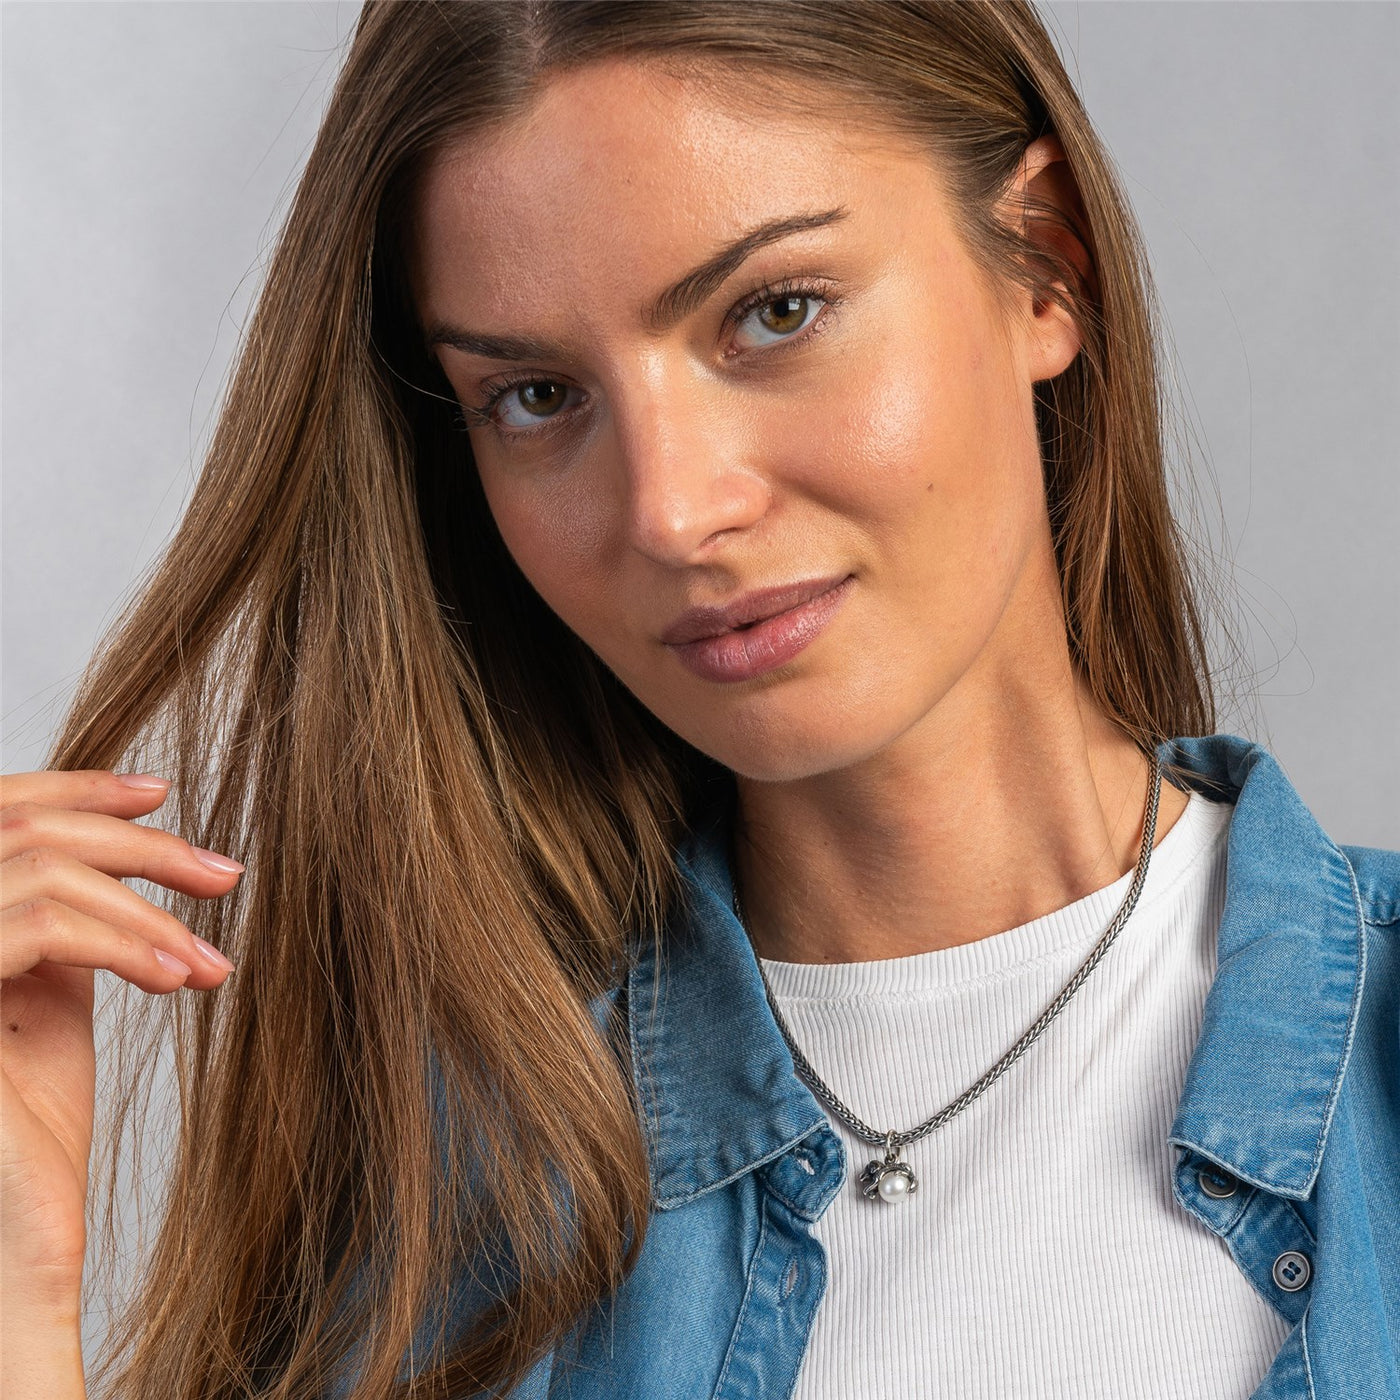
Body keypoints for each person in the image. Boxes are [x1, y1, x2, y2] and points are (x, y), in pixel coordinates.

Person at [2, 3, 1395, 1397]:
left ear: (1043, 266)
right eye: (537, 396)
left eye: (775, 314)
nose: (669, 512)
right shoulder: (450, 1217)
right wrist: (20, 1298)